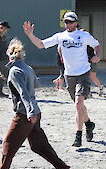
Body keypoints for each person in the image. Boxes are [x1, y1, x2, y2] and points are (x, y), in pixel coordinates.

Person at [0, 39, 70, 169]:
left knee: (8, 144)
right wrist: (33, 111)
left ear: (9, 54)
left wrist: (30, 112)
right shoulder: (28, 68)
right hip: (35, 111)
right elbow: (36, 85)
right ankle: (63, 168)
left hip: (25, 114)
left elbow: (24, 93)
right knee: (39, 145)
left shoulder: (14, 71)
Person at [23, 11, 100, 147]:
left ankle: (78, 135)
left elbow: (96, 45)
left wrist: (97, 56)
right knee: (79, 106)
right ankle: (88, 123)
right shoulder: (60, 36)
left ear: (76, 22)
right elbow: (41, 44)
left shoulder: (83, 35)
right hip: (69, 75)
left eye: (70, 21)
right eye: (66, 22)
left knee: (78, 104)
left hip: (83, 73)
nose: (68, 24)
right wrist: (30, 35)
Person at [80, 29, 104, 96]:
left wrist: (96, 56)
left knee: (92, 77)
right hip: (84, 62)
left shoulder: (90, 42)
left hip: (91, 61)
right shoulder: (80, 43)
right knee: (85, 77)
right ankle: (88, 92)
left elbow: (96, 47)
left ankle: (100, 87)